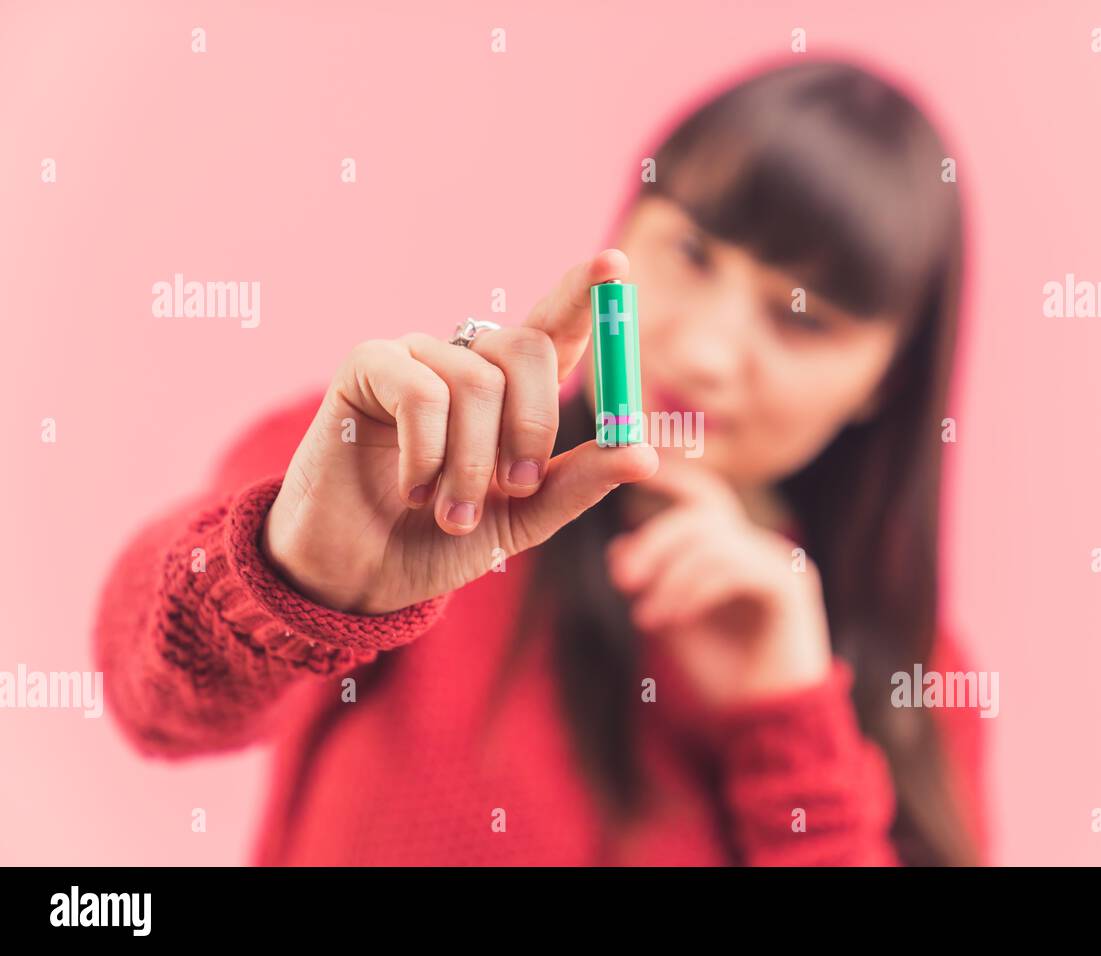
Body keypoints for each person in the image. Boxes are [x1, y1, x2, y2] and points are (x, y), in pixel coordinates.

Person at [94, 58, 987, 866]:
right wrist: (293, 576)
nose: (708, 351)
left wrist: (790, 727)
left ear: (885, 379)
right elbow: (155, 706)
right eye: (689, 253)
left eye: (802, 318)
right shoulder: (397, 463)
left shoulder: (922, 678)